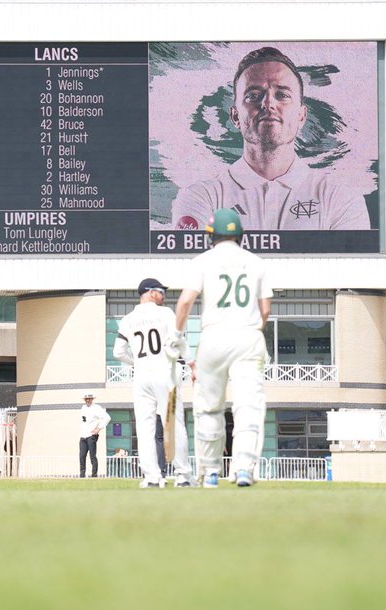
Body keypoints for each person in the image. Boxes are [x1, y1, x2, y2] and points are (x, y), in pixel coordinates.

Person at [170, 46, 370, 231]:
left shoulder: (342, 201)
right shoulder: (200, 198)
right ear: (235, 116)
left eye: (282, 95)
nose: (268, 103)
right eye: (253, 95)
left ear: (302, 115)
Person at [174, 208, 272, 488]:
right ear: (240, 235)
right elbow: (265, 308)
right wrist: (253, 330)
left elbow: (184, 303)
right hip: (248, 337)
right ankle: (243, 469)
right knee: (249, 406)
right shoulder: (256, 262)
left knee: (208, 407)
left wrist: (178, 336)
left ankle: (210, 472)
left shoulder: (202, 261)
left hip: (214, 338)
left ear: (210, 236)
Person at [112, 276, 194, 488]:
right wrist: (192, 363)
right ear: (150, 292)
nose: (164, 296)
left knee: (145, 428)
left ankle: (152, 478)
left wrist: (136, 363)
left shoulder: (128, 319)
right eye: (161, 291)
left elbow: (118, 351)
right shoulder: (165, 313)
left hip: (141, 377)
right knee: (174, 425)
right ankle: (183, 476)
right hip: (165, 372)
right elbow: (179, 339)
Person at [77, 393, 110, 478]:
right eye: (86, 399)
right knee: (82, 456)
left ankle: (94, 475)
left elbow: (107, 418)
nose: (88, 400)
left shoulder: (97, 408)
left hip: (91, 436)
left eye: (89, 398)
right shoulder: (83, 408)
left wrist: (98, 428)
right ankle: (82, 475)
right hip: (83, 436)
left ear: (92, 399)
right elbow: (84, 422)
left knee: (93, 456)